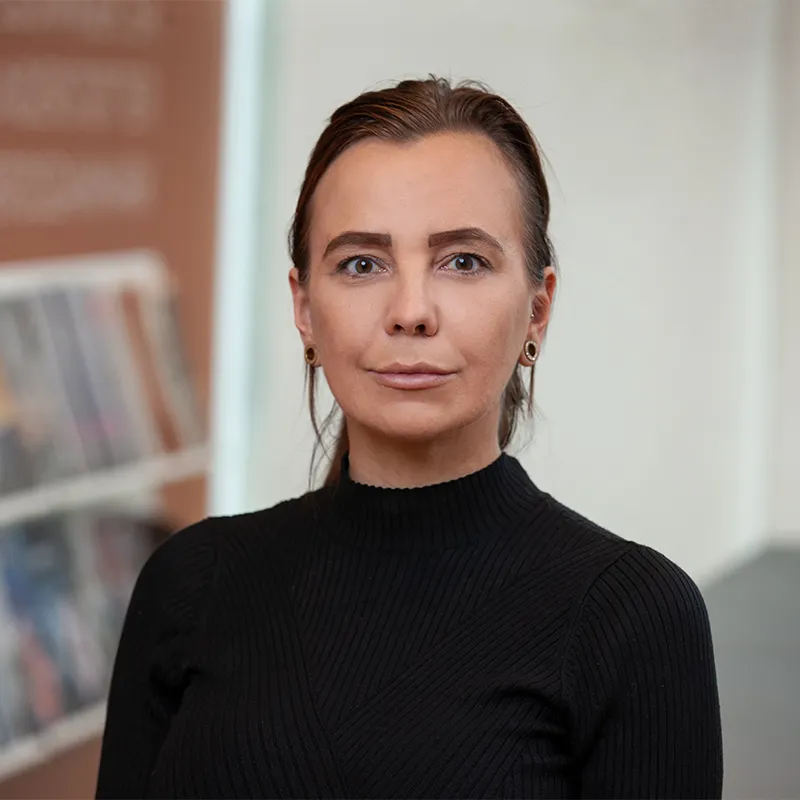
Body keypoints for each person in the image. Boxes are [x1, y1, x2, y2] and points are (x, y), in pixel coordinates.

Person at [95, 76, 723, 799]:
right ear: (304, 308)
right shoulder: (190, 584)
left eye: (464, 261)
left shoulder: (631, 616)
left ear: (538, 309)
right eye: (362, 264)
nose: (412, 311)